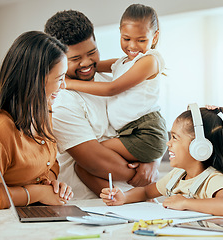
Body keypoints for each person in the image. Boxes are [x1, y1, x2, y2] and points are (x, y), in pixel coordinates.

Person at [44, 10, 160, 199]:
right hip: (91, 206)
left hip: (136, 203)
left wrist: (152, 160)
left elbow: (147, 120)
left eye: (92, 52)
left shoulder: (109, 79)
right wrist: (142, 175)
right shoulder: (61, 101)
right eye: (75, 59)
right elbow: (94, 160)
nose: (87, 63)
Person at [0, 31, 73, 210]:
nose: (64, 85)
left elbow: (48, 164)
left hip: (33, 214)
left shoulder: (41, 110)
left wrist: (52, 186)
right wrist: (37, 193)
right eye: (59, 78)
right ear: (36, 80)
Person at [101, 104, 223, 216]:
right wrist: (123, 197)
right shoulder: (177, 175)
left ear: (199, 147)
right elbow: (146, 192)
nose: (168, 143)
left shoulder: (213, 179)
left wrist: (185, 202)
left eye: (175, 137)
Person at [65, 4, 167, 164]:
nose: (132, 46)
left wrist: (68, 83)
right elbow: (91, 65)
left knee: (95, 153)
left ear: (154, 37)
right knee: (84, 168)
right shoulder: (122, 62)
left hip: (145, 132)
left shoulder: (149, 61)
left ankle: (138, 178)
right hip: (129, 132)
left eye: (141, 40)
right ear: (120, 32)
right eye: (126, 39)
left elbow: (111, 89)